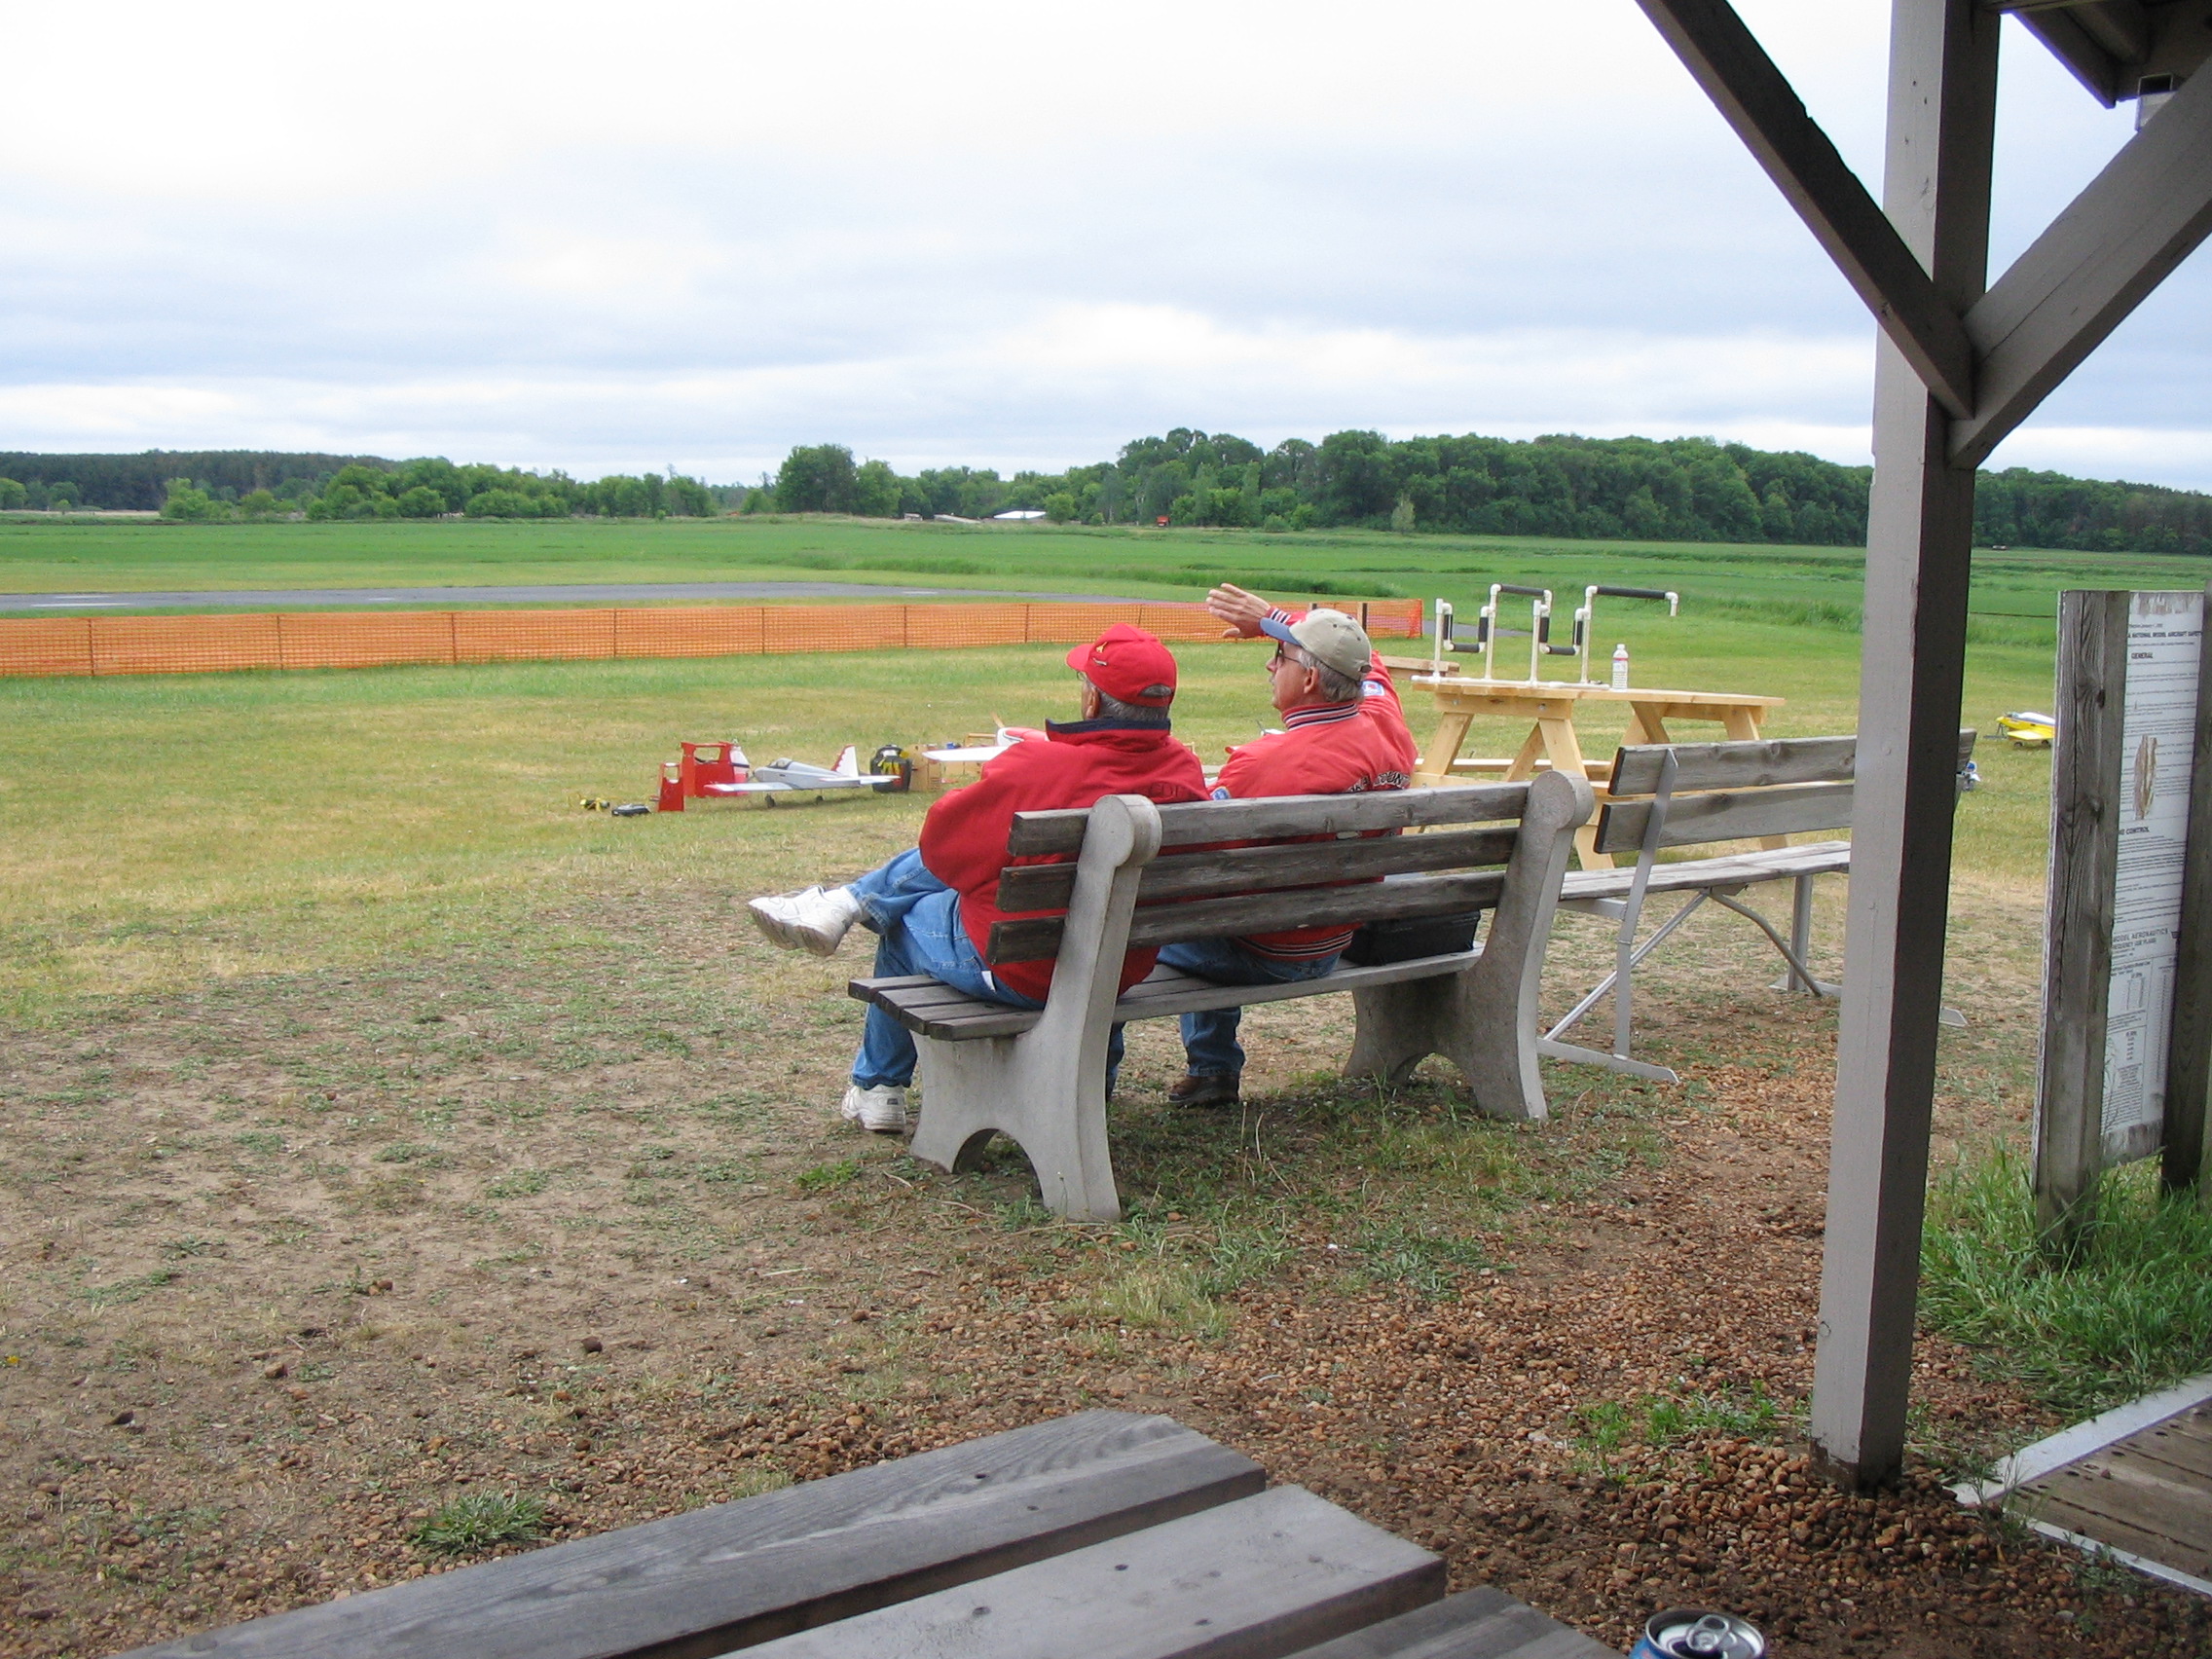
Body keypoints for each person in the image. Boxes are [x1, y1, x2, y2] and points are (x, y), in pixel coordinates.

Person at [745, 624, 1208, 1132]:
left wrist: (1022, 762)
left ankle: (878, 1086)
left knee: (902, 921)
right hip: (1120, 968)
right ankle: (1093, 1084)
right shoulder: (1183, 769)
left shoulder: (1038, 766)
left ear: (1092, 700)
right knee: (1097, 911)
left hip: (1025, 973)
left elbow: (944, 854)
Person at [1155, 584, 1419, 1107]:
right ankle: (1210, 1069)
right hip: (1335, 938)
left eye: (1280, 655)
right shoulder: (1389, 727)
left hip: (1262, 950)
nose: (1271, 665)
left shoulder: (1263, 764)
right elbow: (1369, 659)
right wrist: (1273, 620)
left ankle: (1205, 1068)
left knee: (1137, 928)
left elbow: (1187, 860)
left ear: (1311, 678)